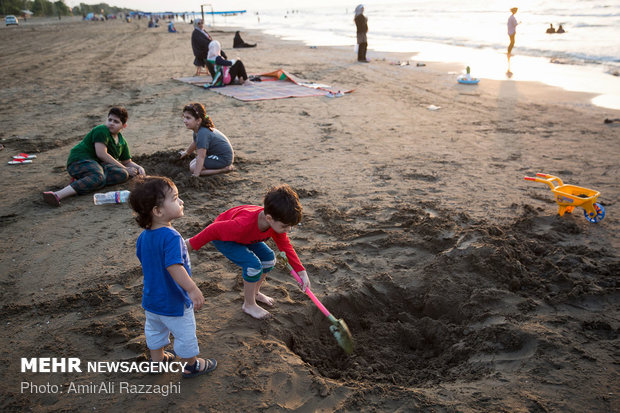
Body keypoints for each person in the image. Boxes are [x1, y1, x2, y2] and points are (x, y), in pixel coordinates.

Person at [129, 175, 217, 378]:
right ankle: (191, 365)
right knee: (185, 333)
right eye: (176, 198)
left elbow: (145, 260)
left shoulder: (144, 236)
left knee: (154, 330)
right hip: (173, 300)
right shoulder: (171, 236)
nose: (181, 201)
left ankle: (157, 361)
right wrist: (192, 289)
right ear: (158, 211)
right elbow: (174, 266)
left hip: (151, 299)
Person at [187, 184, 310, 320]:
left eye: (291, 226)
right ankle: (249, 304)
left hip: (247, 238)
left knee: (269, 259)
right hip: (225, 239)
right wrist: (191, 244)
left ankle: (255, 293)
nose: (289, 230)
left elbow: (286, 246)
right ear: (269, 218)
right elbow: (214, 229)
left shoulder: (276, 224)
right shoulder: (242, 225)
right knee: (253, 265)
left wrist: (302, 272)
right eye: (285, 226)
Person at [42, 107, 145, 207]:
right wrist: (125, 168)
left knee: (122, 174)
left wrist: (139, 168)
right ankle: (57, 194)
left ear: (124, 125)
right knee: (99, 176)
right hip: (79, 160)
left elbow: (127, 161)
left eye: (116, 121)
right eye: (110, 120)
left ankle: (84, 180)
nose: (111, 123)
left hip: (97, 165)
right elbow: (101, 154)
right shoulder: (101, 130)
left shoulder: (122, 142)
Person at [179, 103, 234, 176]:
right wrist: (186, 153)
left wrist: (196, 174)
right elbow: (195, 142)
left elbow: (201, 156)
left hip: (223, 158)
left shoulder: (203, 133)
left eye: (188, 118)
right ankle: (219, 167)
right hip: (216, 155)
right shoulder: (198, 129)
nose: (184, 121)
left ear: (198, 120)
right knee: (192, 164)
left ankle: (224, 169)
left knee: (193, 168)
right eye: (184, 117)